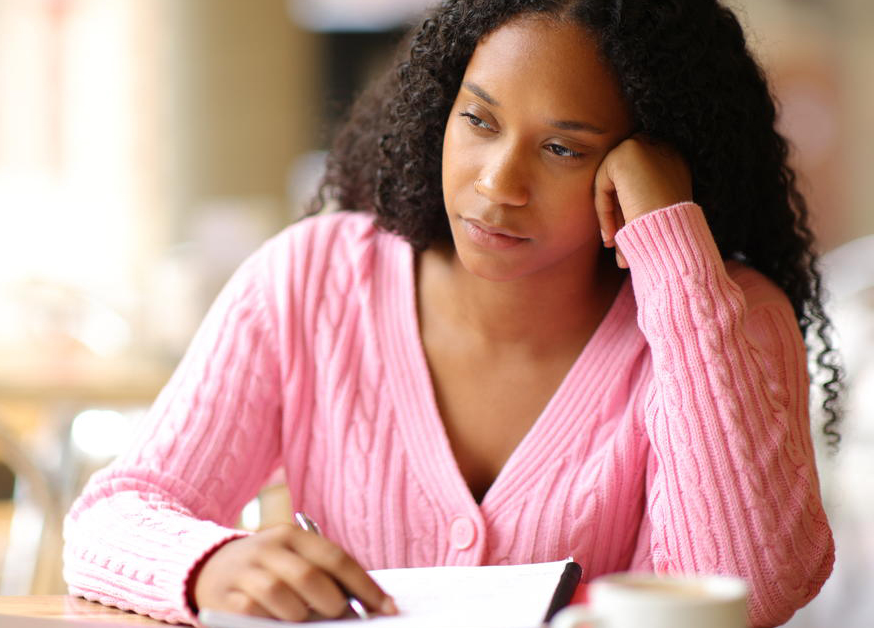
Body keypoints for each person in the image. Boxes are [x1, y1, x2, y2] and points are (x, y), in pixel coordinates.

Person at [62, 1, 839, 626]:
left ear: (644, 166)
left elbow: (751, 590)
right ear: (441, 108)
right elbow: (111, 517)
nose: (498, 184)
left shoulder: (724, 317)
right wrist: (208, 565)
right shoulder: (312, 279)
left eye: (564, 149)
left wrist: (672, 246)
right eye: (479, 120)